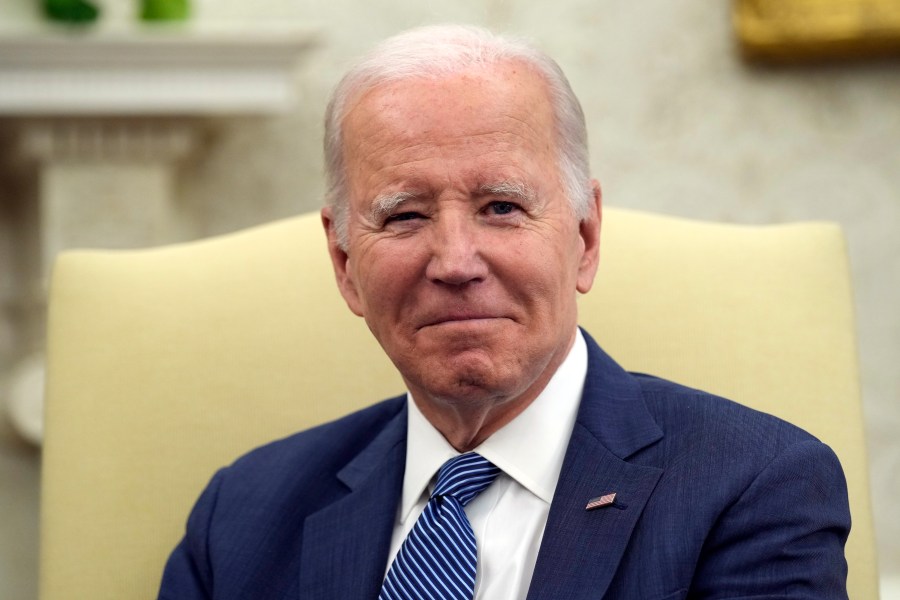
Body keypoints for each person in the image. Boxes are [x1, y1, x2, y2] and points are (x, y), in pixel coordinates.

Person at [158, 24, 850, 599]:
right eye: (403, 216)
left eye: (501, 208)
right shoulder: (242, 518)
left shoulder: (755, 486)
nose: (456, 261)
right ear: (345, 265)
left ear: (584, 238)